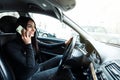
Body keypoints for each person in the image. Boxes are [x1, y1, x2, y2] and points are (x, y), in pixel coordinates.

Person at [4, 16, 74, 80]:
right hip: (29, 77)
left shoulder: (32, 40)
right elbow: (30, 65)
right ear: (21, 29)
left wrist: (64, 43)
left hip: (38, 68)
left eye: (34, 27)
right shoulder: (11, 46)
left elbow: (48, 46)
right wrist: (28, 44)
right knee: (65, 70)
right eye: (30, 26)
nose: (34, 29)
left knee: (60, 57)